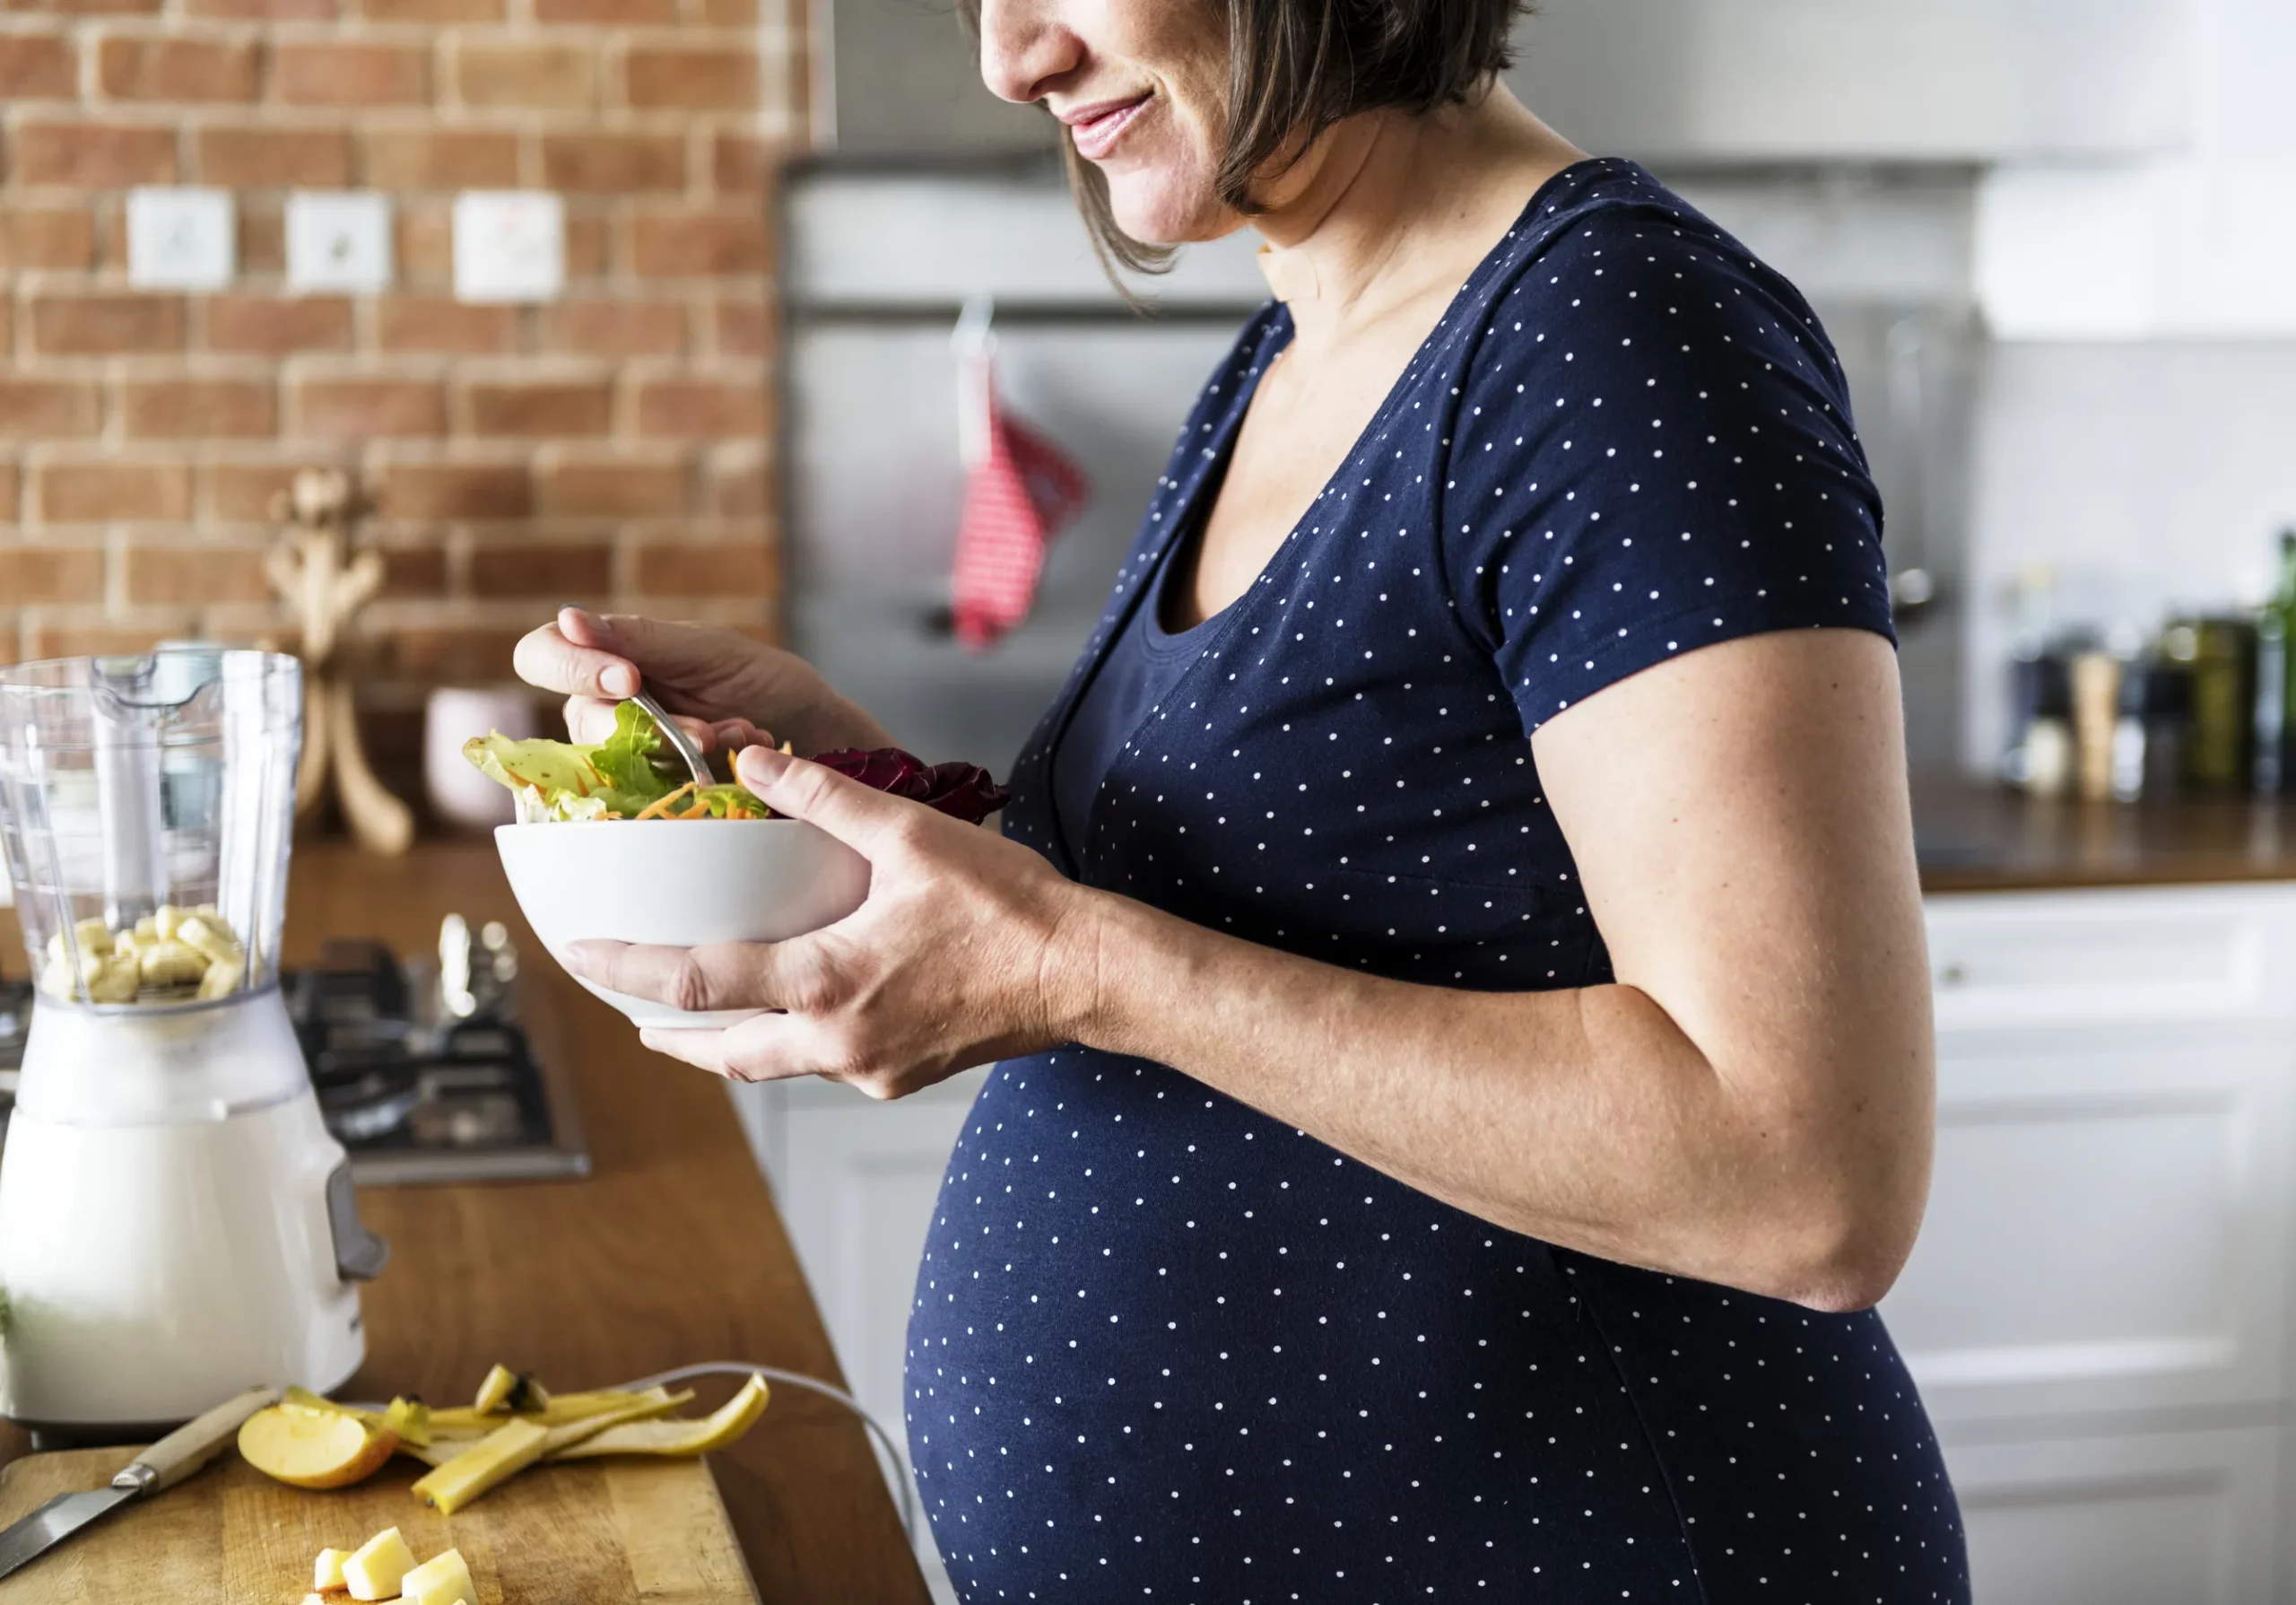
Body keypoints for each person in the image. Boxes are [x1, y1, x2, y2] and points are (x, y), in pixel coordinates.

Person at [513, 0, 1969, 1596]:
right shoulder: (1295, 348)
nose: (1012, 59)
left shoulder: (1618, 334)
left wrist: (1078, 966)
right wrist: (849, 786)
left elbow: (1807, 1172)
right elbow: (1271, 904)